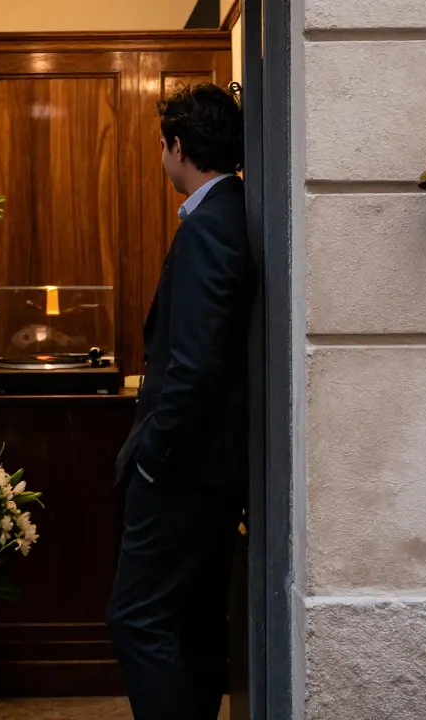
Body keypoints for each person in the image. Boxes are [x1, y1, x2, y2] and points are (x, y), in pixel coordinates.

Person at [108, 82, 255, 720]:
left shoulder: (209, 225)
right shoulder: (232, 211)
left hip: (184, 471)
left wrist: (152, 457)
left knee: (135, 618)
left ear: (176, 146)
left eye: (162, 147)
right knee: (195, 619)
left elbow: (194, 365)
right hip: (212, 471)